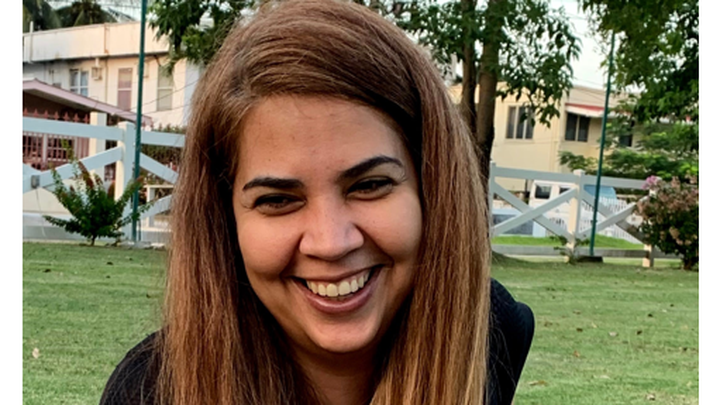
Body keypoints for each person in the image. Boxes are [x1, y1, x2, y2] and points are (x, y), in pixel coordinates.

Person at [100, 1, 534, 404]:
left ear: (432, 190)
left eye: (370, 185)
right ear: (225, 219)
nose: (331, 243)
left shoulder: (491, 332)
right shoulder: (150, 391)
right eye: (277, 200)